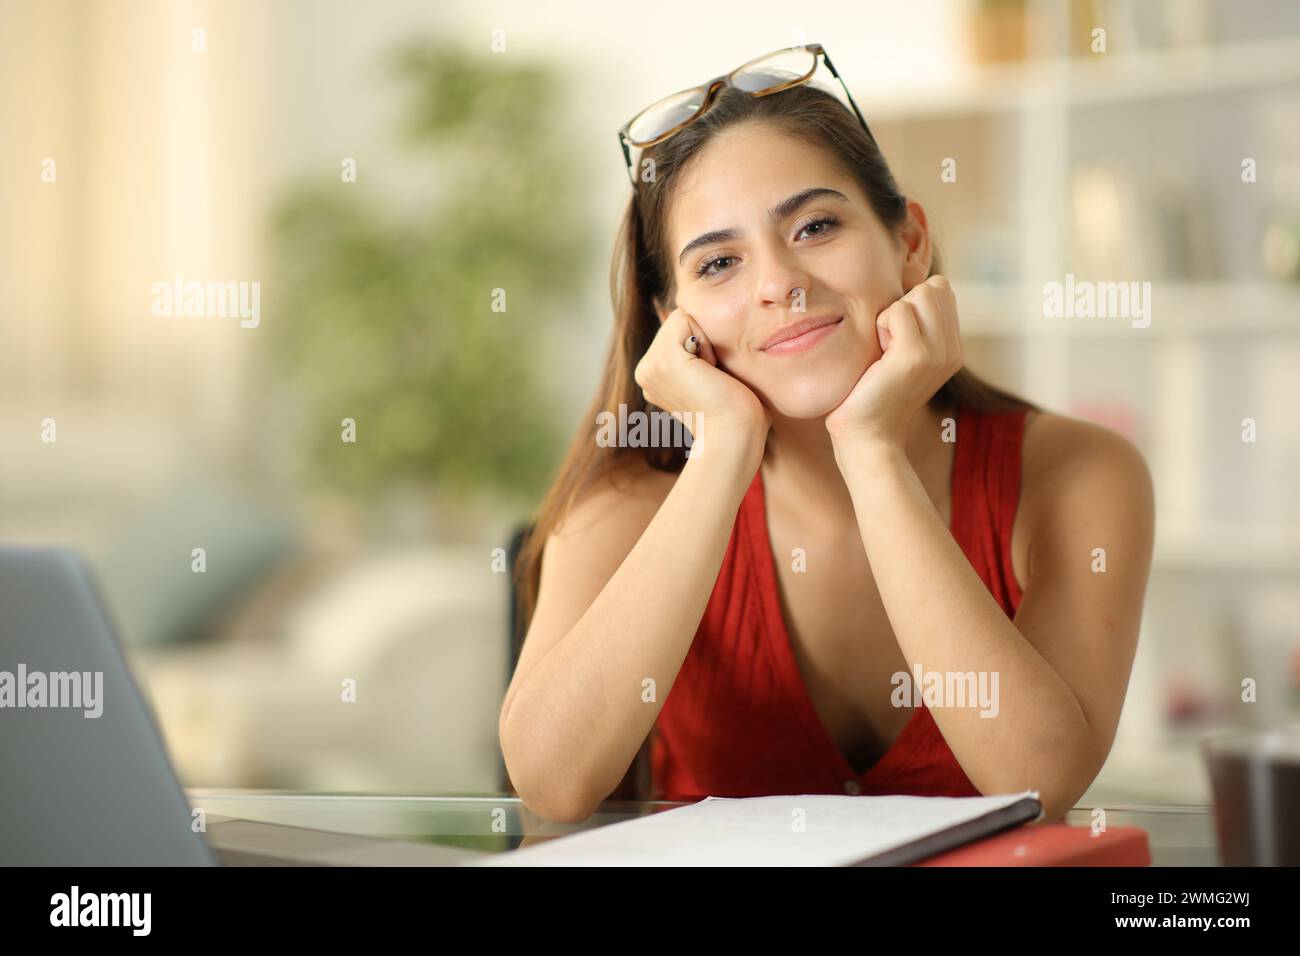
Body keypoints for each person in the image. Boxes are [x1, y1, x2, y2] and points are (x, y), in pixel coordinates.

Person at [500, 46, 1154, 825]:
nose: (779, 282)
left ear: (909, 242)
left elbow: (1039, 779)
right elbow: (550, 785)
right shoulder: (627, 504)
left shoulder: (1079, 474)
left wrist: (870, 450)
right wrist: (722, 452)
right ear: (672, 317)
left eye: (814, 226)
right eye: (717, 265)